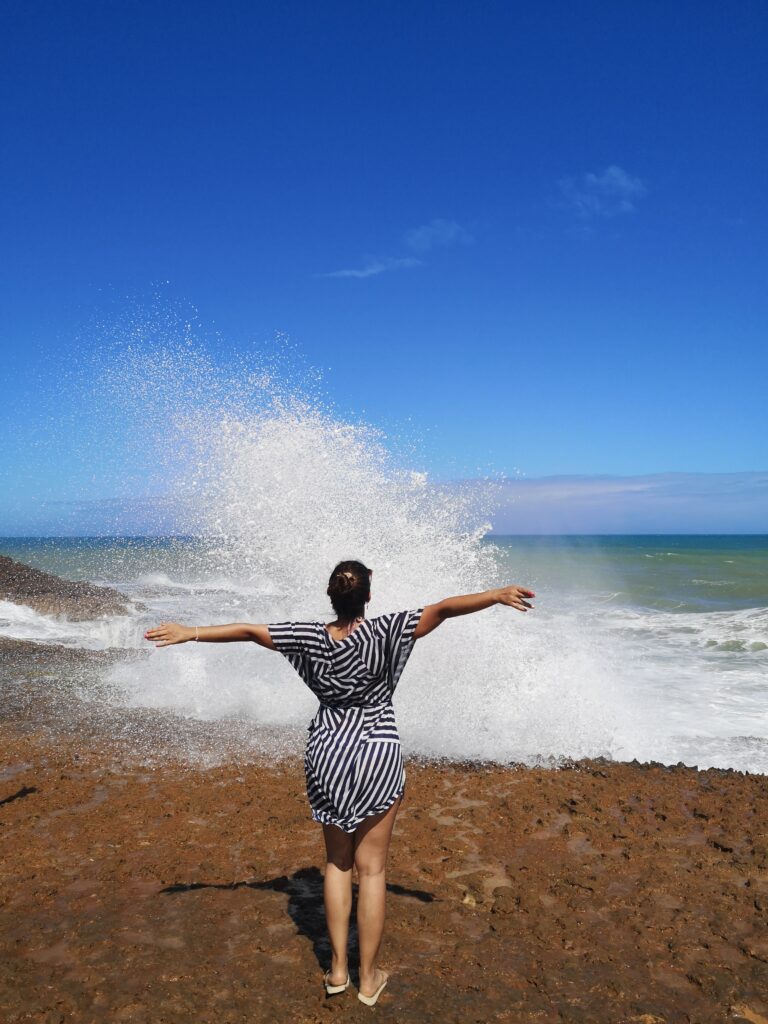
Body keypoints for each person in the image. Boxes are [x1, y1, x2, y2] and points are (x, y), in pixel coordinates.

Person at [144, 560, 534, 1006]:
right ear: (368, 596)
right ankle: (368, 980)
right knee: (373, 871)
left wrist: (189, 631)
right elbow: (444, 609)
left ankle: (336, 971)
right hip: (377, 749)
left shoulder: (308, 637)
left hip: (327, 749)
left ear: (331, 597)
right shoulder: (388, 629)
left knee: (337, 864)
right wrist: (496, 595)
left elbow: (250, 632)